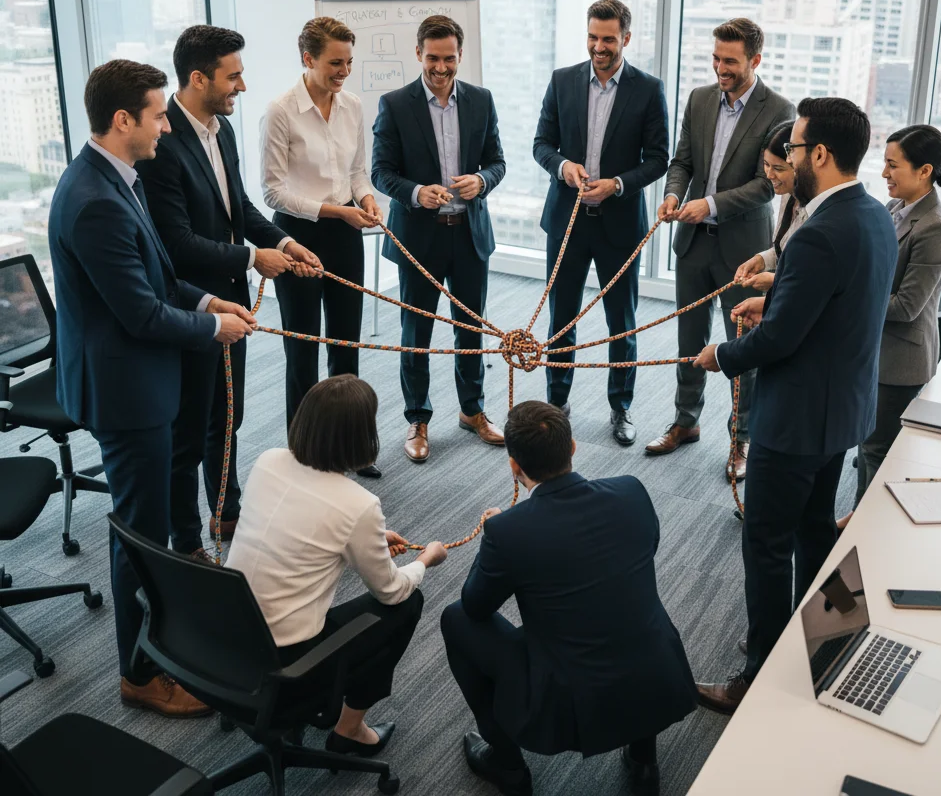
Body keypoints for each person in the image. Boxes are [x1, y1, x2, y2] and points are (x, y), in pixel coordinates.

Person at [49, 59, 255, 715]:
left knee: (153, 526)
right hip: (124, 392)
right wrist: (213, 331)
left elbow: (161, 280)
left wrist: (208, 304)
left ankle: (163, 640)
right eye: (159, 114)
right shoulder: (93, 203)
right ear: (123, 120)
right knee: (137, 536)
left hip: (143, 378)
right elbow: (139, 313)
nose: (167, 125)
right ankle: (139, 676)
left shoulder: (120, 178)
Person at [693, 98, 897, 714]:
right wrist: (775, 302)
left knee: (766, 542)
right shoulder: (876, 216)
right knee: (815, 530)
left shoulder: (817, 233)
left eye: (799, 146)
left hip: (797, 419)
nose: (792, 156)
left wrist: (722, 356)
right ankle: (835, 644)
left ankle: (757, 673)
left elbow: (782, 341)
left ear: (822, 155)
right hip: (842, 412)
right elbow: (835, 306)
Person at [441, 401, 698, 795]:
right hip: (658, 676)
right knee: (619, 607)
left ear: (514, 466)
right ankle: (643, 761)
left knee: (456, 618)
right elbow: (642, 551)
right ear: (573, 447)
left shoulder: (508, 533)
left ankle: (507, 764)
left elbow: (476, 606)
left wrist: (494, 535)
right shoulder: (631, 490)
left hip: (572, 703)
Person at [137, 26, 322, 562]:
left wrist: (286, 241)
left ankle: (227, 508)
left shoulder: (223, 129)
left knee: (229, 415)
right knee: (189, 430)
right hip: (191, 306)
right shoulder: (161, 144)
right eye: (233, 75)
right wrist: (252, 257)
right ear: (199, 78)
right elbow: (175, 243)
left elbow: (235, 205)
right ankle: (187, 541)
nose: (242, 85)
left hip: (232, 304)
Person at [226, 375, 447, 755]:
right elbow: (391, 592)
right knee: (406, 605)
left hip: (222, 642)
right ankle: (350, 730)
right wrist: (426, 560)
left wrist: (365, 538)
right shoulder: (358, 504)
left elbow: (297, 524)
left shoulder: (267, 461)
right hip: (283, 664)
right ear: (362, 437)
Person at [646, 19, 794, 480]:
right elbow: (682, 161)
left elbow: (766, 186)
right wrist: (674, 195)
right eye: (716, 58)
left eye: (730, 61)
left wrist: (708, 204)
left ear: (755, 60)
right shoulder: (700, 98)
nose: (720, 68)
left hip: (742, 251)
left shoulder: (780, 110)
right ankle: (685, 422)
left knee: (742, 348)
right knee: (688, 341)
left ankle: (740, 440)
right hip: (693, 244)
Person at [532, 0, 669, 446]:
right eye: (593, 36)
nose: (598, 46)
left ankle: (621, 407)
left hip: (619, 224)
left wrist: (617, 184)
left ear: (625, 39)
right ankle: (556, 403)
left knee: (621, 322)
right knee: (561, 319)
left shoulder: (649, 89)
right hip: (567, 221)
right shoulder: (562, 80)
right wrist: (563, 166)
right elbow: (541, 144)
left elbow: (658, 160)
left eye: (608, 38)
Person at [371, 15, 506, 464]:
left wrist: (482, 181)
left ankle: (472, 410)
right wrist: (414, 192)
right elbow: (380, 172)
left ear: (460, 56)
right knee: (417, 334)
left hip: (469, 237)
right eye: (433, 58)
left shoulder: (482, 101)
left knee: (471, 330)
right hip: (419, 239)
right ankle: (418, 418)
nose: (441, 67)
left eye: (449, 58)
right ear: (418, 55)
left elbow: (498, 162)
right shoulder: (394, 104)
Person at [261, 17, 383, 432]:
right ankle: (304, 446)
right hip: (297, 237)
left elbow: (358, 171)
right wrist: (340, 211)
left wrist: (365, 198)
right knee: (303, 346)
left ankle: (348, 438)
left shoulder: (353, 106)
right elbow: (273, 192)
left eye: (349, 62)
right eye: (335, 63)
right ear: (307, 58)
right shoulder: (280, 111)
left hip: (346, 235)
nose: (344, 72)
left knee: (346, 345)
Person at [837, 124, 941, 524]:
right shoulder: (894, 209)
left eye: (893, 165)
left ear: (924, 171)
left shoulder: (935, 228)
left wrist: (846, 297)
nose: (884, 173)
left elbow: (906, 306)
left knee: (877, 450)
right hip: (874, 347)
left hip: (900, 359)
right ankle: (858, 516)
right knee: (865, 444)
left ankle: (869, 528)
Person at [731, 120, 806, 304]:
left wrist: (774, 281)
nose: (769, 175)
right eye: (766, 165)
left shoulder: (819, 210)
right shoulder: (787, 194)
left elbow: (812, 274)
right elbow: (786, 249)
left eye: (778, 168)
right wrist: (761, 259)